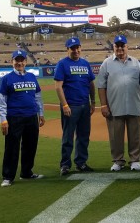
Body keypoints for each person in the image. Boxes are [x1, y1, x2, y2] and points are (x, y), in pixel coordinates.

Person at [97, 35, 140, 171]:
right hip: (114, 106)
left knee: (135, 135)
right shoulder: (106, 63)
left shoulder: (136, 63)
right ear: (113, 47)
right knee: (115, 136)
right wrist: (103, 105)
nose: (120, 48)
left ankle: (135, 160)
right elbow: (101, 86)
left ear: (127, 47)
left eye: (122, 45)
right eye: (117, 46)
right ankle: (118, 161)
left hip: (135, 104)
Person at [0, 50, 45, 187]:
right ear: (12, 62)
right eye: (16, 60)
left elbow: (38, 97)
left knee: (30, 145)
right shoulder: (7, 79)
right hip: (14, 117)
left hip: (31, 116)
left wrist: (41, 114)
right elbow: (0, 102)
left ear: (26, 61)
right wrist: (3, 120)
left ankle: (26, 172)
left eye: (22, 60)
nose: (19, 63)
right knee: (12, 147)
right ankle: (8, 176)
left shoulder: (32, 77)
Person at [54, 37, 96, 176]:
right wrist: (64, 105)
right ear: (67, 50)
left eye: (78, 47)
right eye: (73, 48)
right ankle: (65, 165)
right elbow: (58, 87)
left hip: (85, 105)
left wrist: (93, 101)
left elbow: (91, 84)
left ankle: (81, 163)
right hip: (71, 106)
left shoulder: (85, 63)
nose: (76, 50)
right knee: (68, 137)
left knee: (84, 136)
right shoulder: (62, 64)